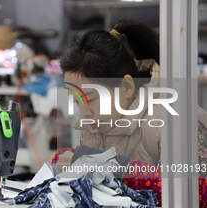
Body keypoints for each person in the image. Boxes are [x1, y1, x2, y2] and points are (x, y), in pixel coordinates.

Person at [57, 20, 207, 170]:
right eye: (77, 101)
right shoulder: (93, 126)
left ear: (127, 87)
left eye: (90, 99)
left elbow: (195, 188)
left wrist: (105, 166)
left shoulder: (177, 123)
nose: (84, 114)